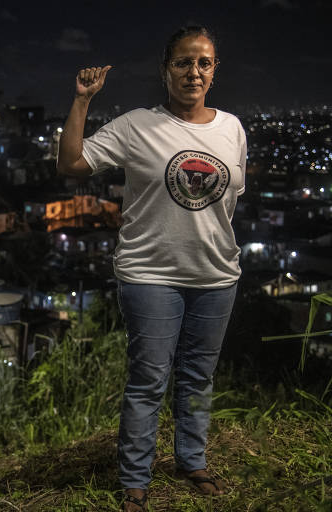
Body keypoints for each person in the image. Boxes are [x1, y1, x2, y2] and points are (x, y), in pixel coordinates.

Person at [57, 26, 245, 512]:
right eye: (183, 62)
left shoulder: (233, 129)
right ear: (166, 70)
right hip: (150, 274)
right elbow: (73, 164)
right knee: (148, 379)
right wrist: (81, 101)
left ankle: (192, 460)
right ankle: (135, 480)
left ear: (214, 70)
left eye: (204, 62)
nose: (194, 71)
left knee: (199, 377)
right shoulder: (136, 124)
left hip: (215, 274)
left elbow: (227, 204)